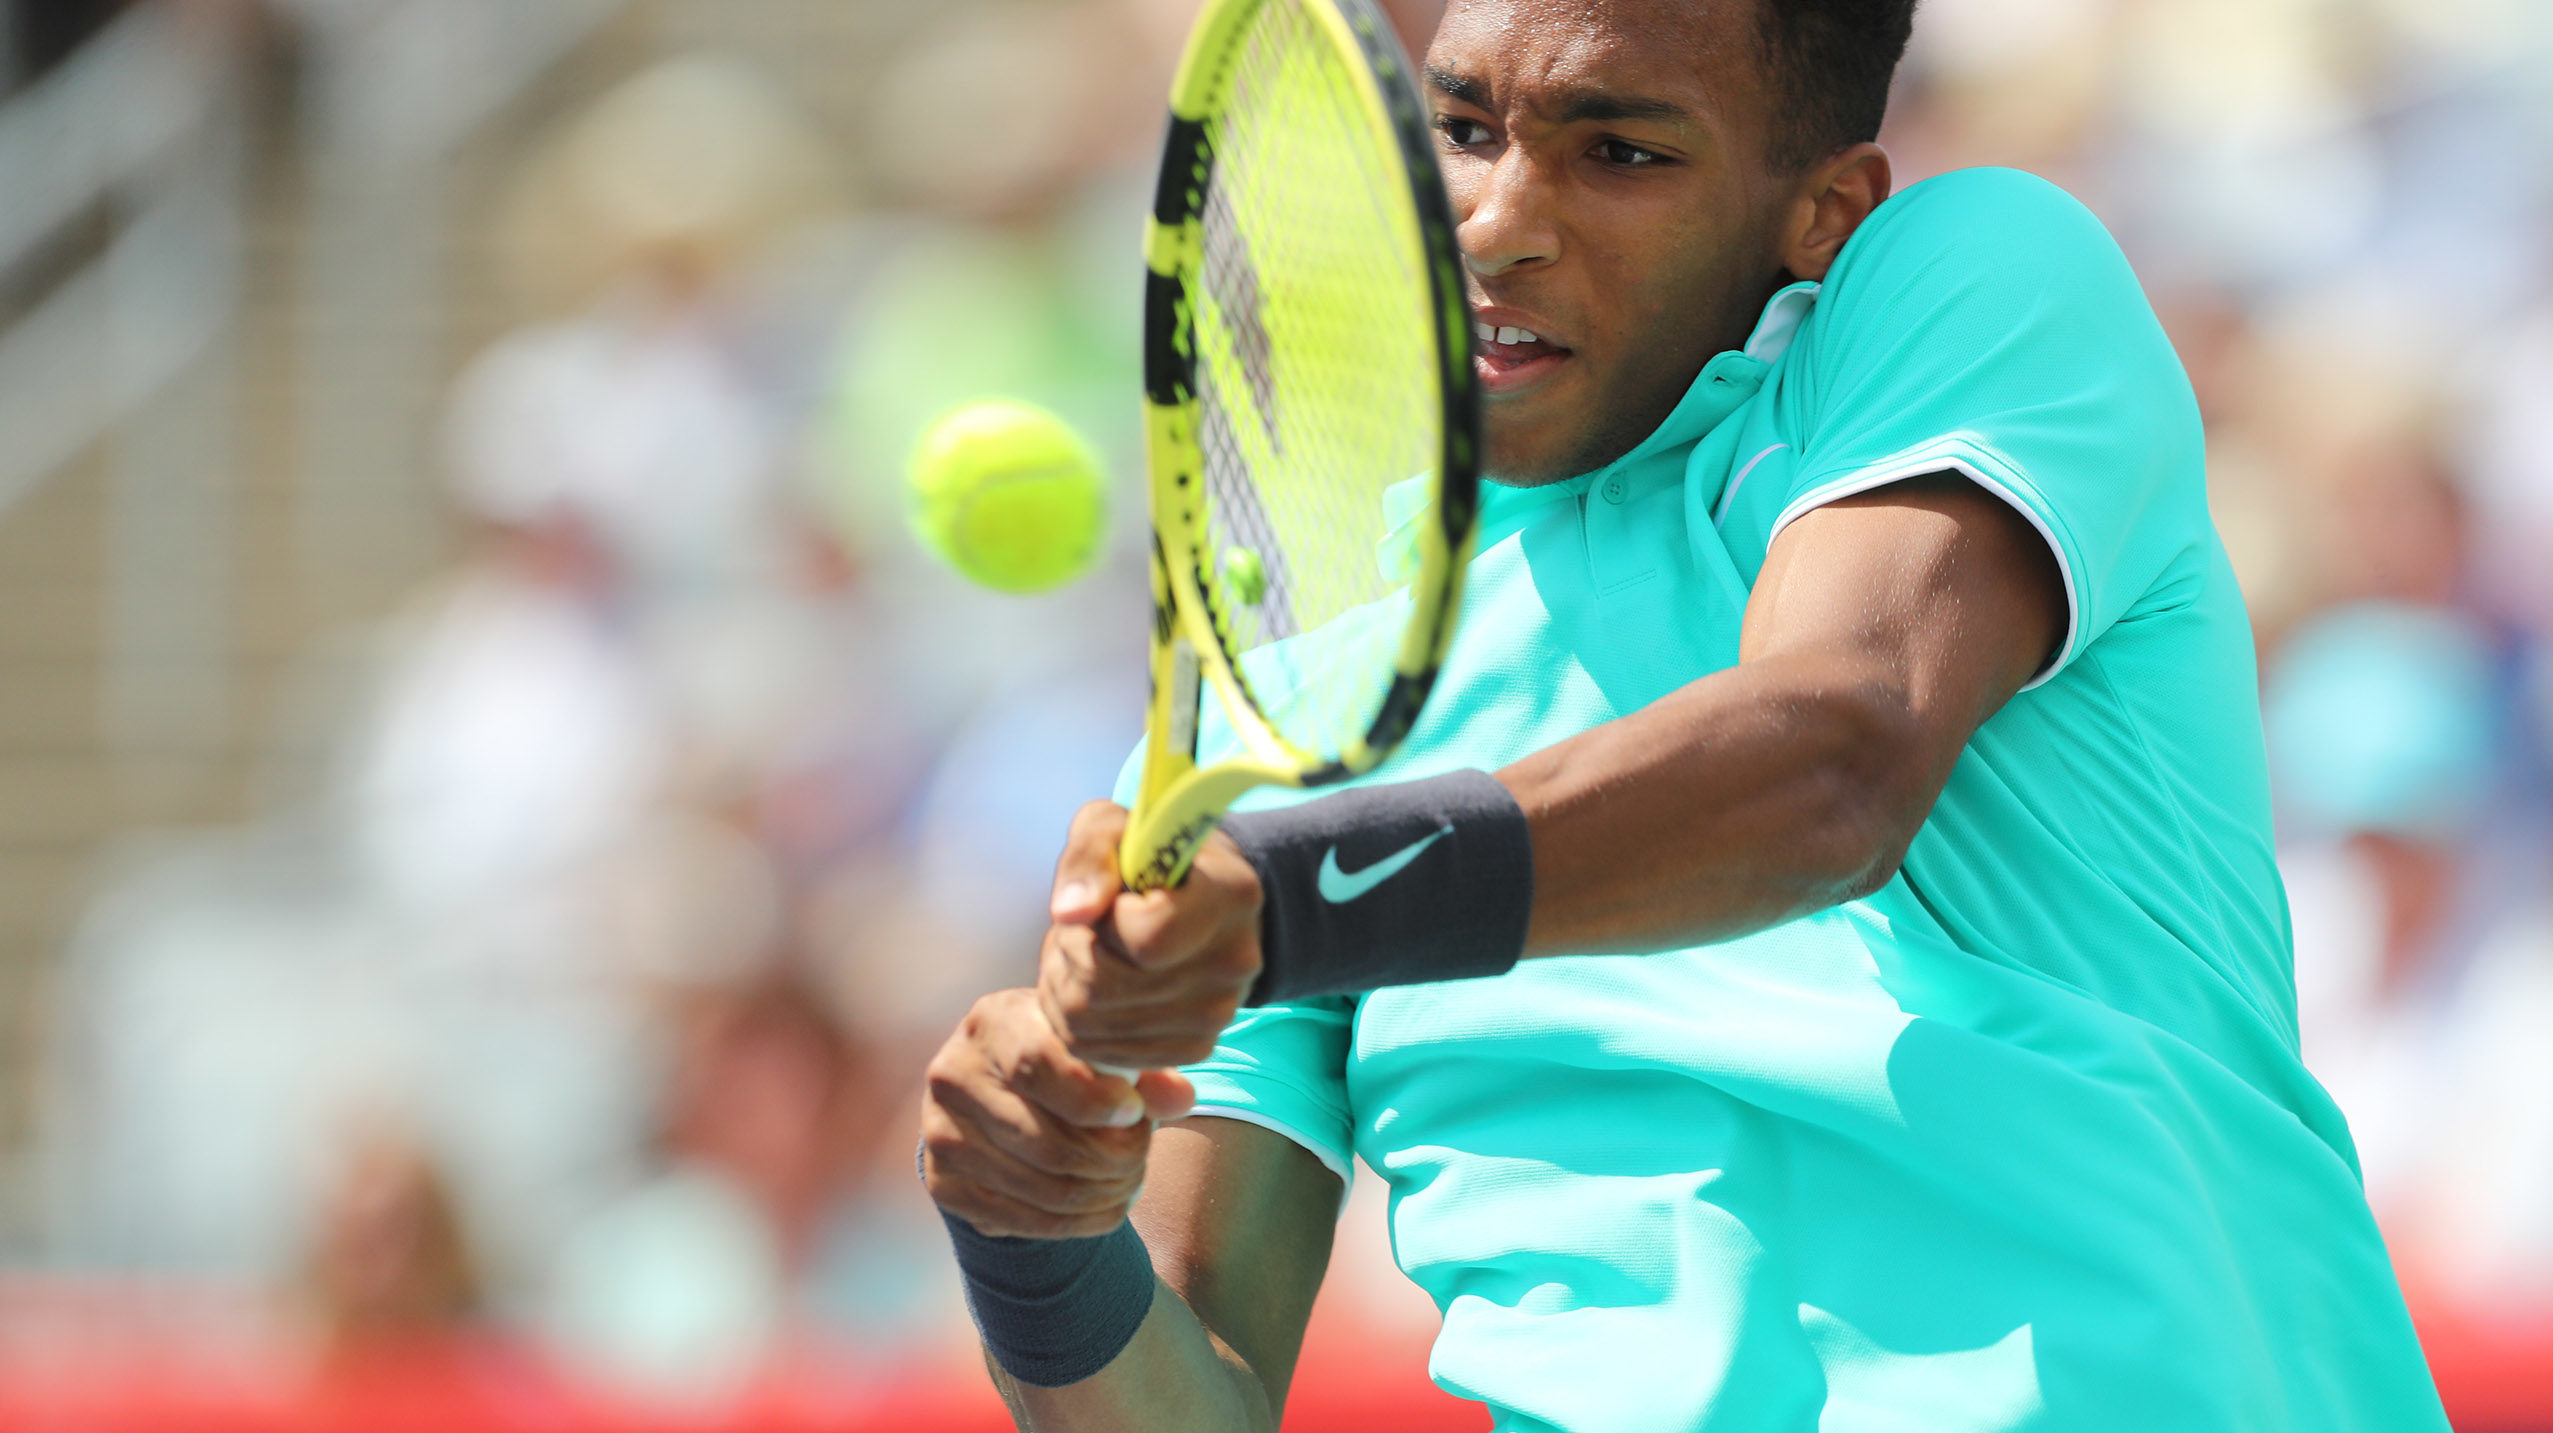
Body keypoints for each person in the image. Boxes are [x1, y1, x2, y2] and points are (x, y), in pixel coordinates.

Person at [918, 0, 2449, 1428]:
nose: (1497, 223)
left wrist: (1291, 903)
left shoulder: (1981, 274)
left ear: (1824, 212)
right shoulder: (1304, 719)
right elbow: (1201, 1384)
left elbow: (1829, 759)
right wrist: (1031, 1227)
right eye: (1462, 130)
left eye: (1621, 153)